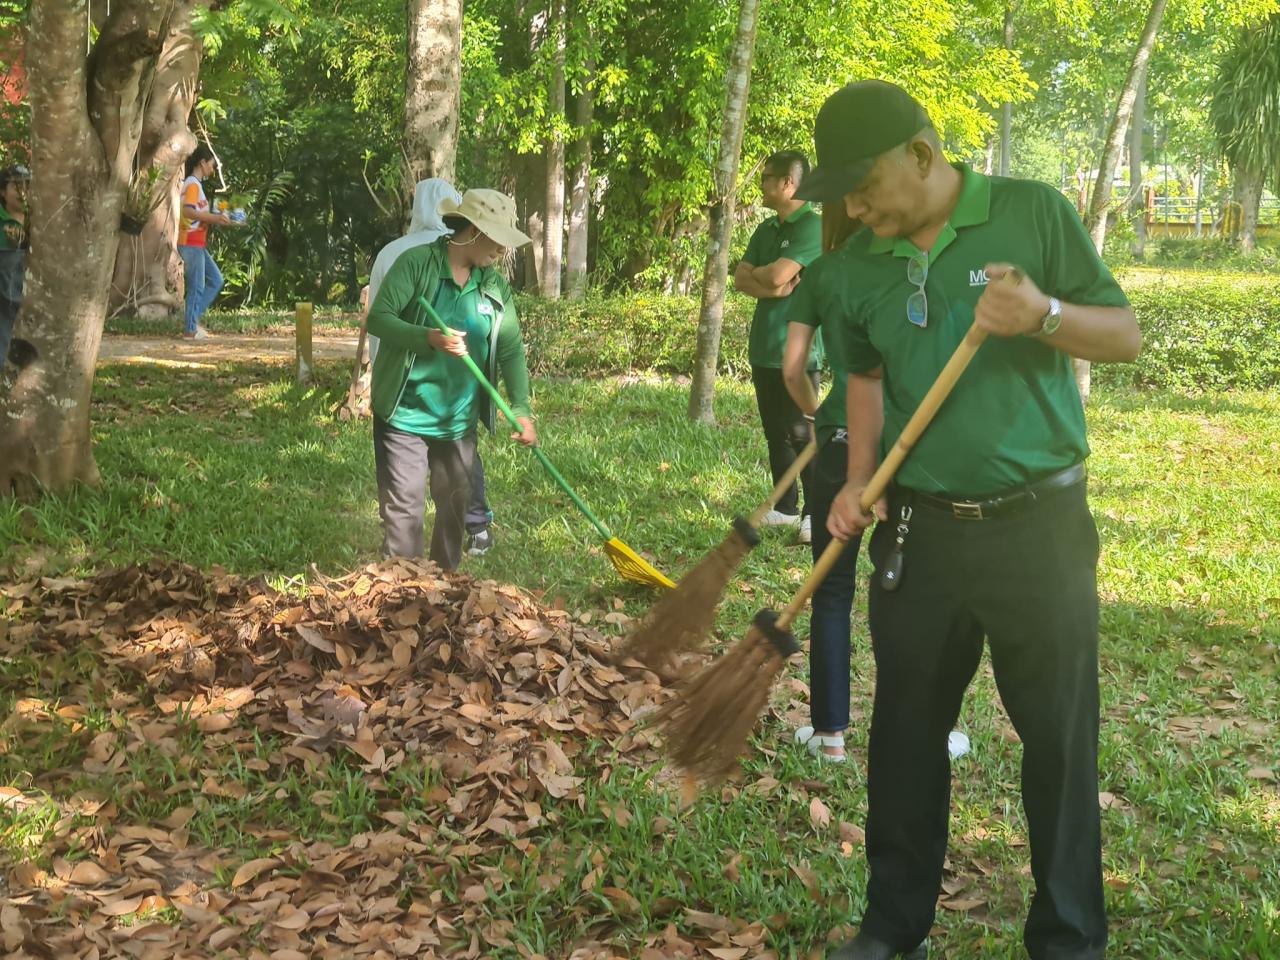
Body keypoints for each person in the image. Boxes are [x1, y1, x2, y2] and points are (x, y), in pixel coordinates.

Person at [804, 81, 1141, 960]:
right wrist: (861, 478)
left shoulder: (1032, 213)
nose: (852, 204)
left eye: (863, 181)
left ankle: (1068, 937)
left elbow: (1124, 333)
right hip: (921, 532)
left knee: (1060, 740)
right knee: (906, 734)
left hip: (1041, 528)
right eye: (841, 191)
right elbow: (867, 379)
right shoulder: (857, 267)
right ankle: (892, 926)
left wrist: (1045, 316)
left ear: (921, 153)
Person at [366, 188, 537, 571]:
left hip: (457, 419)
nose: (503, 251)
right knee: (405, 515)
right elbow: (379, 318)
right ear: (474, 230)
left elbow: (510, 349)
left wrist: (522, 409)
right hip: (404, 413)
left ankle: (443, 593)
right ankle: (403, 595)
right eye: (498, 239)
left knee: (454, 510)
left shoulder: (493, 286)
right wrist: (427, 338)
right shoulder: (417, 264)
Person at [733, 150, 824, 543]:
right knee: (776, 433)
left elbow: (777, 275)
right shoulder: (766, 230)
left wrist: (769, 279)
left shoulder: (813, 228)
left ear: (789, 183)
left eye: (768, 176)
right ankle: (785, 509)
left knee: (804, 433)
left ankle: (815, 513)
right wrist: (770, 282)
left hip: (799, 351)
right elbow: (742, 278)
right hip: (764, 347)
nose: (762, 183)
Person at [178, 144, 240, 339]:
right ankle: (190, 329)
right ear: (202, 163)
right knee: (197, 286)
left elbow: (199, 213)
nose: (213, 170)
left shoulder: (197, 185)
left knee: (216, 280)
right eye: (211, 165)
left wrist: (222, 217)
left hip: (197, 242)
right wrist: (214, 219)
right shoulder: (193, 184)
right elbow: (188, 211)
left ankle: (193, 320)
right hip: (190, 241)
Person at [0, 164, 30, 366]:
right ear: (2, 191)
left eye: (27, 185)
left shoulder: (39, 221)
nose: (23, 192)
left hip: (30, 305)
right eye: (16, 186)